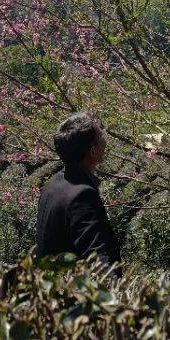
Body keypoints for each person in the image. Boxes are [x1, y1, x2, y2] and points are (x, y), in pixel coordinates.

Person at [35, 112, 121, 265]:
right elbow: (96, 256)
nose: (105, 138)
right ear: (93, 151)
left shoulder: (53, 184)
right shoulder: (82, 195)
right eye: (101, 135)